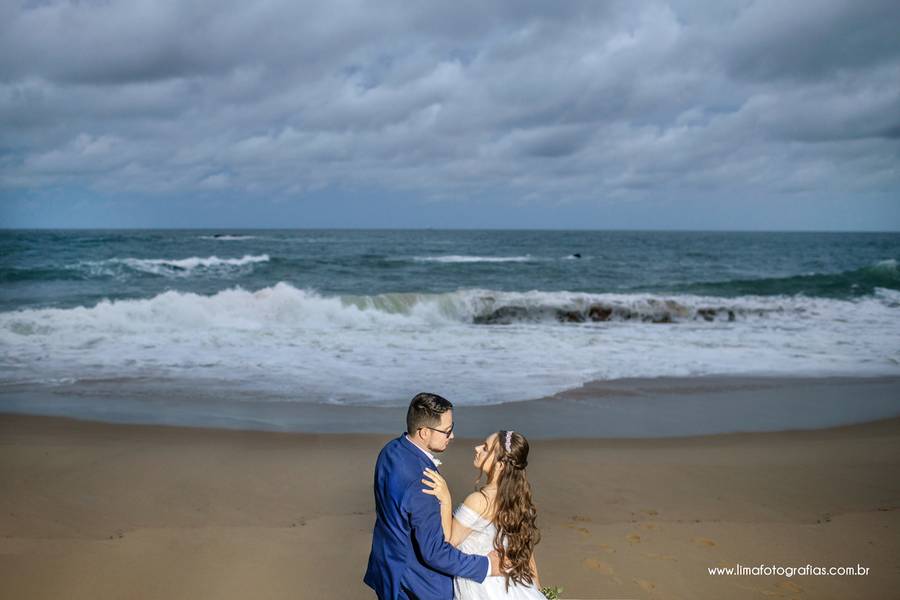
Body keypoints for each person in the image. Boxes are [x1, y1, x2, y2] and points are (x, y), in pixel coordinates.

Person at [364, 393, 503, 600]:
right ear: (423, 432)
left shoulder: (391, 450)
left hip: (386, 568)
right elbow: (435, 552)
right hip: (416, 585)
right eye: (447, 431)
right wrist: (488, 565)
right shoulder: (424, 483)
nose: (452, 436)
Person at [422, 430, 545, 599]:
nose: (477, 448)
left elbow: (447, 544)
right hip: (515, 587)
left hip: (484, 589)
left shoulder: (479, 501)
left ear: (500, 465)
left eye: (486, 448)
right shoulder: (519, 502)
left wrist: (446, 499)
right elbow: (528, 557)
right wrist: (538, 590)